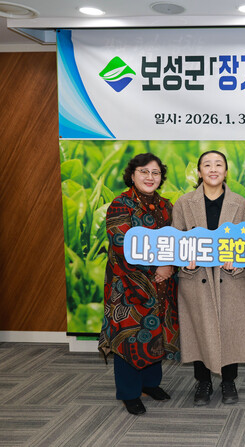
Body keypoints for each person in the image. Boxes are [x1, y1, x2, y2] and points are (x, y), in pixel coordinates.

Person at [172, 150, 245, 406]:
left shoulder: (239, 203)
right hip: (196, 277)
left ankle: (229, 381)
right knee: (198, 330)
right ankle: (203, 382)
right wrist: (184, 260)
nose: (213, 169)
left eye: (219, 164)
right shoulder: (184, 203)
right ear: (199, 172)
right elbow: (176, 240)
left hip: (229, 278)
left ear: (226, 171)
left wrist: (239, 260)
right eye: (207, 165)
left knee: (230, 330)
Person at [99, 153, 179, 415]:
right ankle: (129, 393)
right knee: (130, 337)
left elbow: (177, 242)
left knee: (154, 333)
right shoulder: (120, 205)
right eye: (144, 171)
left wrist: (169, 266)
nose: (150, 177)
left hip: (162, 285)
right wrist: (157, 268)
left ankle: (150, 384)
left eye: (155, 173)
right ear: (132, 176)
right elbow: (122, 245)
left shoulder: (166, 206)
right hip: (128, 285)